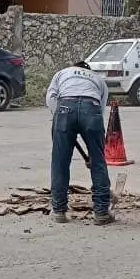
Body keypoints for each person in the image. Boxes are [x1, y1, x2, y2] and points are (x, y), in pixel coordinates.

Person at [45, 61, 114, 225]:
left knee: (60, 163)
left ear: (74, 67)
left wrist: (60, 119)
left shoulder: (62, 72)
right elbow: (100, 110)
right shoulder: (98, 79)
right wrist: (93, 152)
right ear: (87, 70)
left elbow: (51, 98)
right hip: (92, 109)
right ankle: (102, 212)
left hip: (64, 107)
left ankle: (59, 211)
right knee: (98, 162)